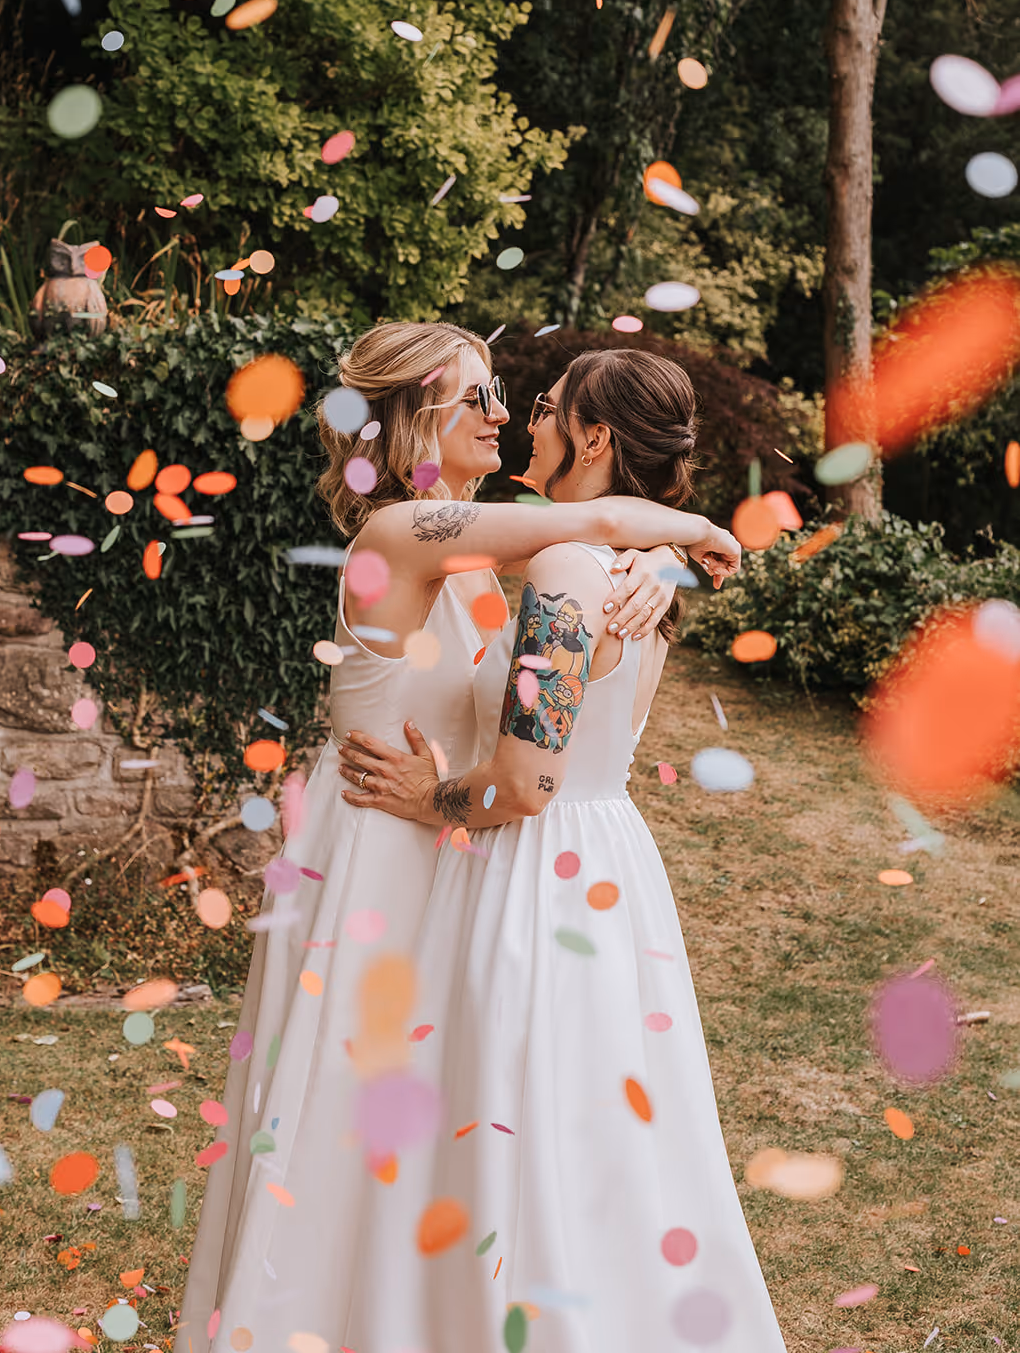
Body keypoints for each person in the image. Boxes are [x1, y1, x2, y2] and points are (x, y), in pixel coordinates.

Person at [172, 324, 743, 1353]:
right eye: (474, 396)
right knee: (331, 1115)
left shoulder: (491, 546)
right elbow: (592, 520)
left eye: (508, 396)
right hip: (368, 842)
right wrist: (688, 533)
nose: (498, 411)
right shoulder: (402, 533)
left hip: (444, 846)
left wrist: (657, 561)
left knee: (421, 1124)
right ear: (412, 420)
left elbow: (577, 555)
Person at [337, 348, 788, 1352]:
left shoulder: (562, 569)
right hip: (609, 866)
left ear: (590, 436)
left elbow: (526, 779)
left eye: (543, 408)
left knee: (516, 1122)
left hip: (535, 875)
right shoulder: (637, 581)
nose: (525, 422)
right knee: (605, 1130)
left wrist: (430, 796)